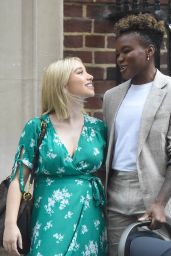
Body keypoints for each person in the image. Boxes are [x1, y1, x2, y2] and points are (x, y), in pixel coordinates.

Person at [3, 57, 107, 255]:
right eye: (80, 72)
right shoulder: (37, 127)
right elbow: (19, 179)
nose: (90, 75)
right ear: (62, 84)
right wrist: (10, 225)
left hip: (91, 219)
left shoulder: (98, 128)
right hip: (50, 220)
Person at [102, 13, 171, 255]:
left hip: (157, 197)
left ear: (149, 51)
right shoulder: (111, 98)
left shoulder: (170, 91)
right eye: (117, 53)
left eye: (127, 51)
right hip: (116, 198)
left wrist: (160, 203)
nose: (120, 58)